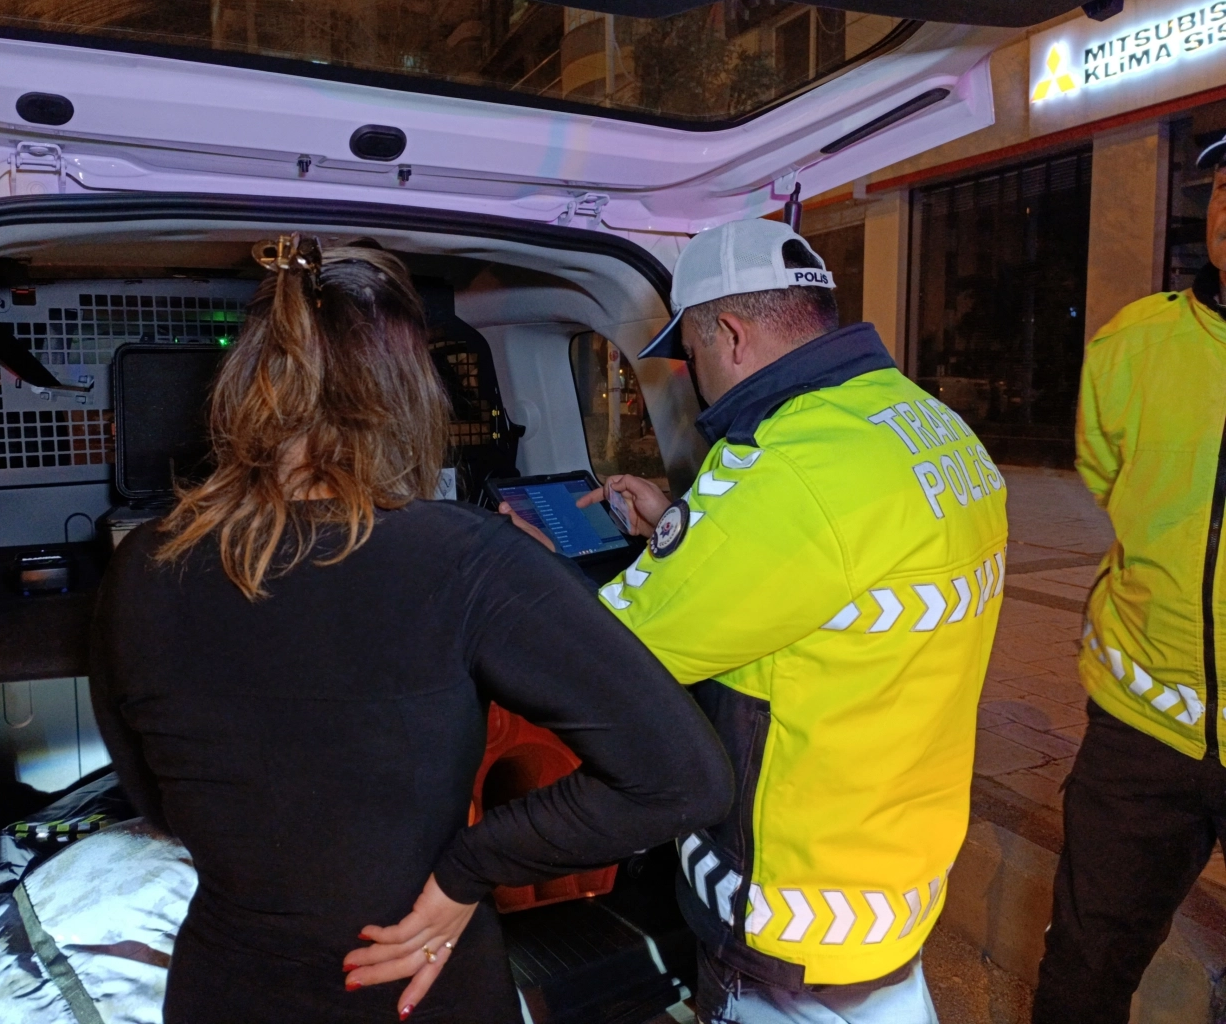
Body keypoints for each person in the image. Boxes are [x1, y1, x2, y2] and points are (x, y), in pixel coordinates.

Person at [89, 235, 733, 1024]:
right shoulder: (467, 557)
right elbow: (682, 779)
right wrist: (468, 869)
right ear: (407, 393)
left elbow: (157, 803)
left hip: (222, 988)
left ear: (247, 384)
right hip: (417, 985)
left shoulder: (142, 563)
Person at [504, 219, 1008, 1023]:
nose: (695, 379)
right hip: (889, 877)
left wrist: (530, 563)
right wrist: (679, 525)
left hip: (790, 904)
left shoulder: (784, 469)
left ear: (730, 336)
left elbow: (609, 660)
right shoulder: (925, 425)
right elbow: (818, 577)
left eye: (689, 354)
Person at [1031, 138, 1226, 1023]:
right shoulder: (1135, 342)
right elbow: (1104, 472)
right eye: (1222, 187)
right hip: (1139, 729)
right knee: (1083, 967)